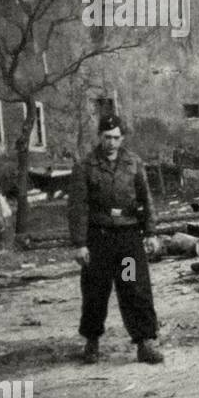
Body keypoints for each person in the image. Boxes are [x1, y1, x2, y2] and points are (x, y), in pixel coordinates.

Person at [67, 114, 161, 364]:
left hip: (127, 240)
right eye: (107, 137)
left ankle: (144, 342)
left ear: (123, 138)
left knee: (133, 288)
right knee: (96, 291)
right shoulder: (86, 166)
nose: (112, 142)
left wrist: (150, 232)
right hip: (99, 239)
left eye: (116, 137)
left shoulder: (133, 163)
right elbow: (77, 206)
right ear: (100, 137)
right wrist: (80, 243)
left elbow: (146, 199)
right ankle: (92, 342)